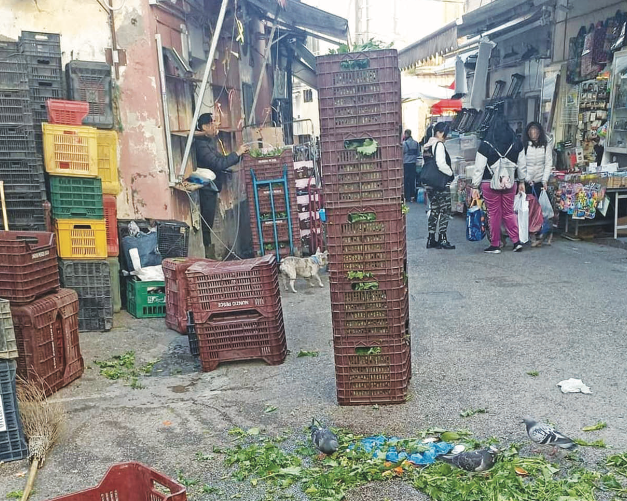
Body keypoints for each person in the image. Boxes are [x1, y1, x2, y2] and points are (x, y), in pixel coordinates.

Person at [471, 116, 527, 254]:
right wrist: (522, 181)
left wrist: (474, 186)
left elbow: (479, 167)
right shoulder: (516, 143)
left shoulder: (486, 144)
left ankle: (495, 244)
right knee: (508, 212)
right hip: (510, 183)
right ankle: (516, 241)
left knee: (493, 214)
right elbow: (522, 165)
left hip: (488, 183)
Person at [195, 113, 249, 251]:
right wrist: (236, 153)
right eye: (213, 123)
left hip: (212, 188)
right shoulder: (201, 145)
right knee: (206, 224)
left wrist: (239, 156)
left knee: (210, 222)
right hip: (205, 189)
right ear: (205, 127)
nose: (216, 126)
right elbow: (218, 163)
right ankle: (207, 252)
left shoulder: (209, 142)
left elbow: (222, 159)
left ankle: (209, 250)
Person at [423, 122, 455, 250]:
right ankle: (442, 238)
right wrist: (451, 174)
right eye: (445, 134)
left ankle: (431, 238)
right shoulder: (439, 145)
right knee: (445, 210)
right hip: (440, 184)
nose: (445, 137)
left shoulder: (427, 146)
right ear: (440, 133)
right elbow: (441, 164)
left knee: (434, 210)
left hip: (429, 184)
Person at [523, 121, 553, 246]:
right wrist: (526, 178)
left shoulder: (545, 145)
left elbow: (548, 164)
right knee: (529, 210)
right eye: (531, 131)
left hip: (540, 182)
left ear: (539, 132)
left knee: (542, 209)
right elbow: (521, 164)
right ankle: (531, 234)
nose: (533, 133)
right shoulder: (524, 146)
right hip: (527, 182)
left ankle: (543, 232)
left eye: (535, 131)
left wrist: (545, 180)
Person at [402, 129, 420, 202]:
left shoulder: (404, 144)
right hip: (413, 163)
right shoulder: (416, 143)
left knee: (406, 180)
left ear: (406, 134)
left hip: (406, 163)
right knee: (412, 180)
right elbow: (418, 153)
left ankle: (406, 197)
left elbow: (402, 153)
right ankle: (413, 196)